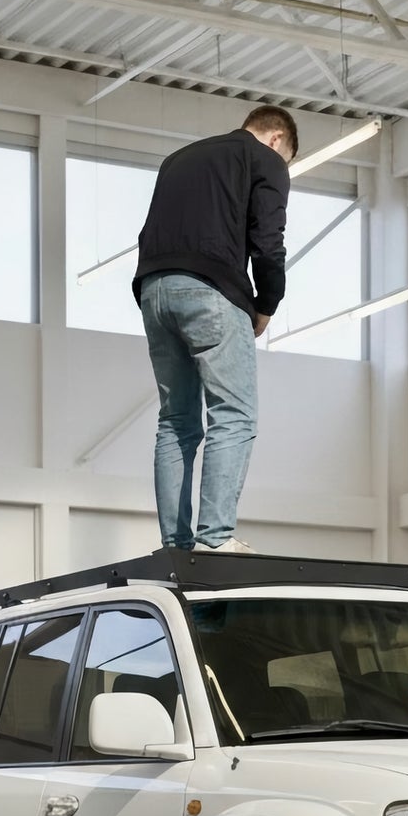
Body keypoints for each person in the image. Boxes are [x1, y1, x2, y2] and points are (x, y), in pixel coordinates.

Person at [133, 105, 297, 554]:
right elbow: (268, 242)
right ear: (277, 138)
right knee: (233, 413)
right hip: (211, 290)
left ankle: (176, 545)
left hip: (153, 289)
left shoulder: (179, 159)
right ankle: (215, 538)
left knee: (176, 420)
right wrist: (267, 304)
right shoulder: (265, 160)